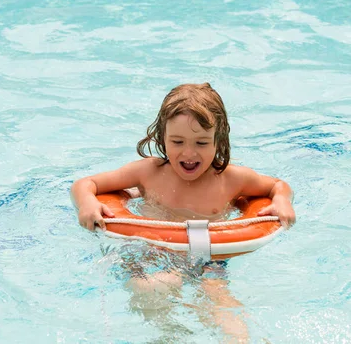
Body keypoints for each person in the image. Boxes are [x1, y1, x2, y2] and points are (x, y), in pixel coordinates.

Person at [71, 82, 295, 342]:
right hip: (152, 251)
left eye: (201, 142)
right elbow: (85, 184)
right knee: (152, 288)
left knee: (220, 302)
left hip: (210, 257)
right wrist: (87, 201)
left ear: (218, 141)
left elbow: (277, 185)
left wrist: (282, 200)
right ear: (162, 137)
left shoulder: (232, 179)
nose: (189, 153)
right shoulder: (148, 173)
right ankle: (169, 335)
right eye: (177, 141)